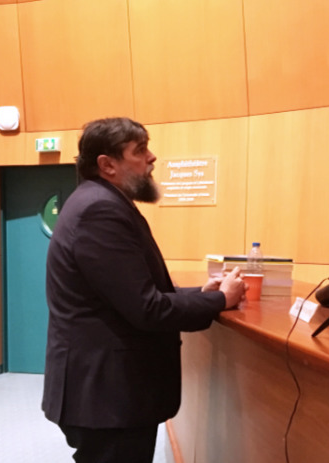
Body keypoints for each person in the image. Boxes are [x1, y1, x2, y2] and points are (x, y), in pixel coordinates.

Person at [42, 117, 246, 463]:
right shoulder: (99, 211)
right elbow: (145, 308)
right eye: (140, 151)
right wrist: (220, 299)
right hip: (108, 397)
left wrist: (201, 292)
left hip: (106, 395)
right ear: (107, 165)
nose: (152, 158)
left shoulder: (100, 201)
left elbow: (129, 293)